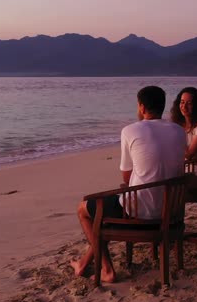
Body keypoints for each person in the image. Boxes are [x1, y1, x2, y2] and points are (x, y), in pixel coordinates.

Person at [71, 86, 187, 283]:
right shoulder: (179, 130)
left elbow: (126, 178)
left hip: (140, 212)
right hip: (171, 210)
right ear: (163, 106)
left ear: (141, 107)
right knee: (104, 211)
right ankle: (83, 263)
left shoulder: (131, 130)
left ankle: (107, 270)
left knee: (84, 208)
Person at [170, 87, 197, 176]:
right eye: (182, 102)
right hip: (183, 168)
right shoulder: (179, 123)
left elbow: (189, 154)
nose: (184, 106)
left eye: (189, 103)